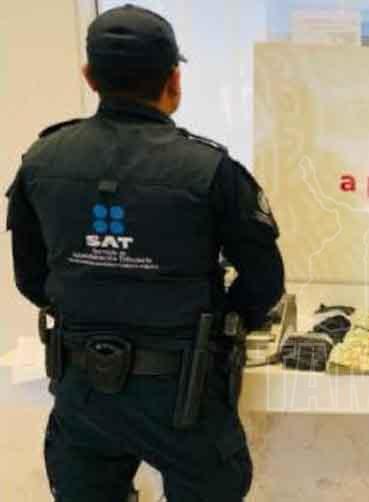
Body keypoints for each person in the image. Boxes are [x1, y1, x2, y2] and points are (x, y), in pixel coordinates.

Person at [6, 5, 284, 501]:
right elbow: (264, 282)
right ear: (174, 80)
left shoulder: (42, 160)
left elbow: (31, 279)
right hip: (184, 391)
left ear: (89, 76)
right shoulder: (210, 170)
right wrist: (218, 323)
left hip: (83, 390)